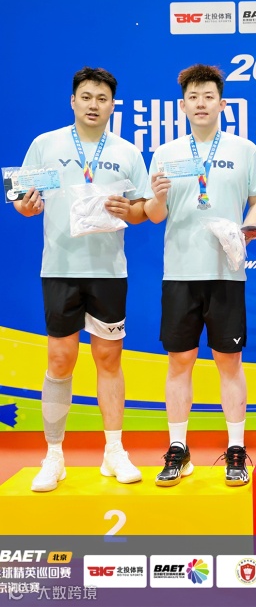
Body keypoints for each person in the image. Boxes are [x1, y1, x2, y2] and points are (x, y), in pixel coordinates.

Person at [14, 67, 148, 492]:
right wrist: (27, 206)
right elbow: (22, 201)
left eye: (102, 98)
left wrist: (131, 211)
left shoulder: (127, 152)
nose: (94, 105)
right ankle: (54, 456)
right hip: (60, 268)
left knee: (109, 360)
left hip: (108, 271)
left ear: (112, 105)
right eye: (86, 97)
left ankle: (114, 451)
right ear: (73, 101)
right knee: (59, 359)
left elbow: (142, 209)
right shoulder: (46, 144)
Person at [144, 64, 256, 487]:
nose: (201, 104)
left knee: (229, 361)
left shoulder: (244, 149)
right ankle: (178, 449)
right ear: (183, 106)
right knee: (180, 361)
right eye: (193, 97)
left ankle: (236, 448)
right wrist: (156, 198)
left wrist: (249, 226)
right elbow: (155, 215)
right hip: (180, 272)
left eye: (208, 96)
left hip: (227, 272)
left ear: (222, 103)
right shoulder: (166, 153)